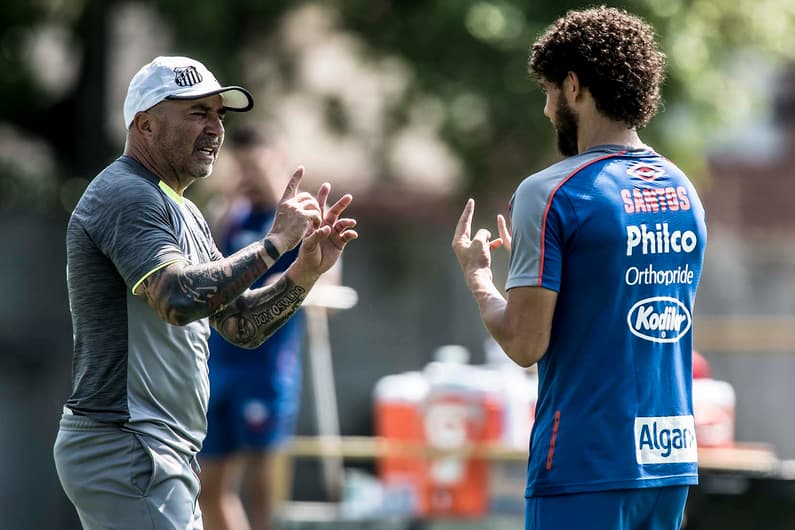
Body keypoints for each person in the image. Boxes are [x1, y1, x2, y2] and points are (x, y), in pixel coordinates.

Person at [53, 55, 358, 530]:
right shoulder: (128, 193)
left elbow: (238, 324)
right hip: (130, 441)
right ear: (146, 124)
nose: (216, 127)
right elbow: (176, 298)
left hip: (154, 447)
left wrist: (302, 272)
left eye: (220, 114)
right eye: (197, 113)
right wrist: (274, 243)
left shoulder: (185, 210)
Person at [452, 8, 706, 530]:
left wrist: (478, 277)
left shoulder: (549, 191)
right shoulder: (683, 190)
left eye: (548, 92)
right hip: (670, 464)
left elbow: (525, 344)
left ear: (574, 87)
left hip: (583, 462)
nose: (547, 111)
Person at [198, 125, 317, 530]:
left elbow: (321, 283)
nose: (248, 175)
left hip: (266, 368)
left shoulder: (299, 221)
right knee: (209, 487)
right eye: (241, 166)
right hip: (220, 364)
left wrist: (270, 289)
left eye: (256, 165)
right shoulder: (232, 217)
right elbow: (206, 278)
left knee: (261, 484)